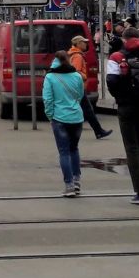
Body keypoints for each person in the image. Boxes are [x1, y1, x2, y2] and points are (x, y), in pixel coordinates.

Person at [107, 27, 139, 205]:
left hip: (126, 106)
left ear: (124, 39)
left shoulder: (116, 57)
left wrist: (121, 95)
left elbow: (111, 82)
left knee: (131, 147)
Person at [43, 50, 85, 197]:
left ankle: (69, 185)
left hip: (59, 118)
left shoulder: (50, 77)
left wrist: (50, 116)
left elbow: (48, 100)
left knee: (64, 152)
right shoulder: (77, 76)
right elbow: (80, 95)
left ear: (55, 61)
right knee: (74, 149)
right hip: (77, 117)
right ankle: (77, 180)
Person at [67, 36, 112, 140]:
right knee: (87, 110)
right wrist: (84, 76)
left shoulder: (73, 54)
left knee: (82, 110)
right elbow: (76, 71)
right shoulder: (77, 56)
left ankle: (98, 131)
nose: (86, 44)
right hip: (78, 88)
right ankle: (98, 131)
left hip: (76, 88)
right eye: (83, 42)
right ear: (78, 44)